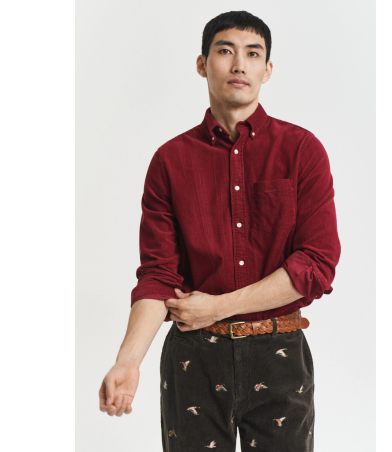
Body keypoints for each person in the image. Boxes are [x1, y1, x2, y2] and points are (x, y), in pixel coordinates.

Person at [99, 10, 341, 451]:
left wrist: (218, 306)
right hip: (194, 357)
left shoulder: (302, 151)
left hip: (279, 352)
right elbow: (158, 275)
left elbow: (316, 265)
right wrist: (128, 361)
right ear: (202, 63)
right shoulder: (170, 161)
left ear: (268, 69)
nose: (239, 64)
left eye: (253, 54)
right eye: (225, 51)